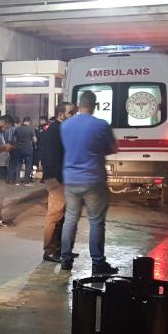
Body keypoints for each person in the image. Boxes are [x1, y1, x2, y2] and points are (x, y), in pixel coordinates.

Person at [60, 90, 119, 275]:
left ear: (79, 105)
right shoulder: (101, 125)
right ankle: (98, 263)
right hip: (93, 179)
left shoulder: (66, 125)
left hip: (70, 178)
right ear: (94, 106)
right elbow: (113, 148)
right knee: (96, 222)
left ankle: (65, 259)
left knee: (70, 219)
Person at [40, 102, 76, 263]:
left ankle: (61, 250)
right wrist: (57, 180)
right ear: (61, 115)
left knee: (62, 216)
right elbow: (50, 159)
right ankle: (49, 251)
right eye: (71, 113)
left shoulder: (61, 130)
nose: (74, 116)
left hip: (63, 178)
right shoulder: (54, 131)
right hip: (57, 179)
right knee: (54, 215)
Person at [13, 116, 36, 185]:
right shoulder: (31, 129)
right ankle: (26, 182)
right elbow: (35, 139)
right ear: (29, 121)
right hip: (28, 149)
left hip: (19, 149)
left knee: (18, 164)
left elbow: (14, 140)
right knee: (28, 165)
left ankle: (17, 181)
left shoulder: (17, 129)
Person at [4, 114, 19, 184]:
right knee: (16, 164)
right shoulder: (18, 128)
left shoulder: (7, 129)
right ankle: (15, 179)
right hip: (16, 147)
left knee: (10, 164)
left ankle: (9, 179)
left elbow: (5, 138)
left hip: (8, 147)